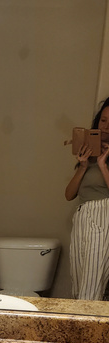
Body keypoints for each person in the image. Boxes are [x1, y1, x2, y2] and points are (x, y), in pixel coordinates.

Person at [65, 98, 109, 300]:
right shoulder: (88, 156)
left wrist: (103, 165)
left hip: (103, 215)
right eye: (103, 120)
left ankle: (83, 330)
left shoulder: (103, 160)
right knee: (79, 281)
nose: (106, 127)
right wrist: (83, 166)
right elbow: (69, 195)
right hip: (82, 217)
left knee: (91, 287)